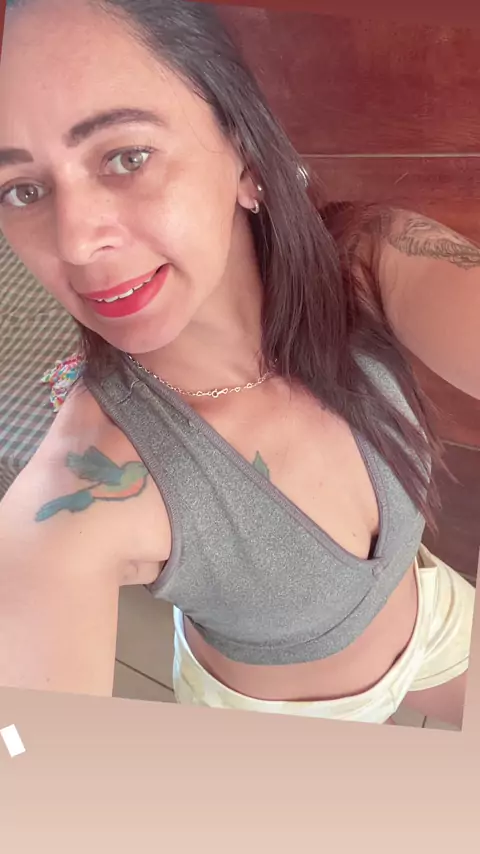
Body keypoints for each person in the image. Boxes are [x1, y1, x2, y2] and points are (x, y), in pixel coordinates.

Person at [0, 0, 478, 727]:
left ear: (247, 160)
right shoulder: (83, 488)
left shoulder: (367, 266)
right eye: (23, 190)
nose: (74, 243)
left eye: (127, 157)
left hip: (433, 622)